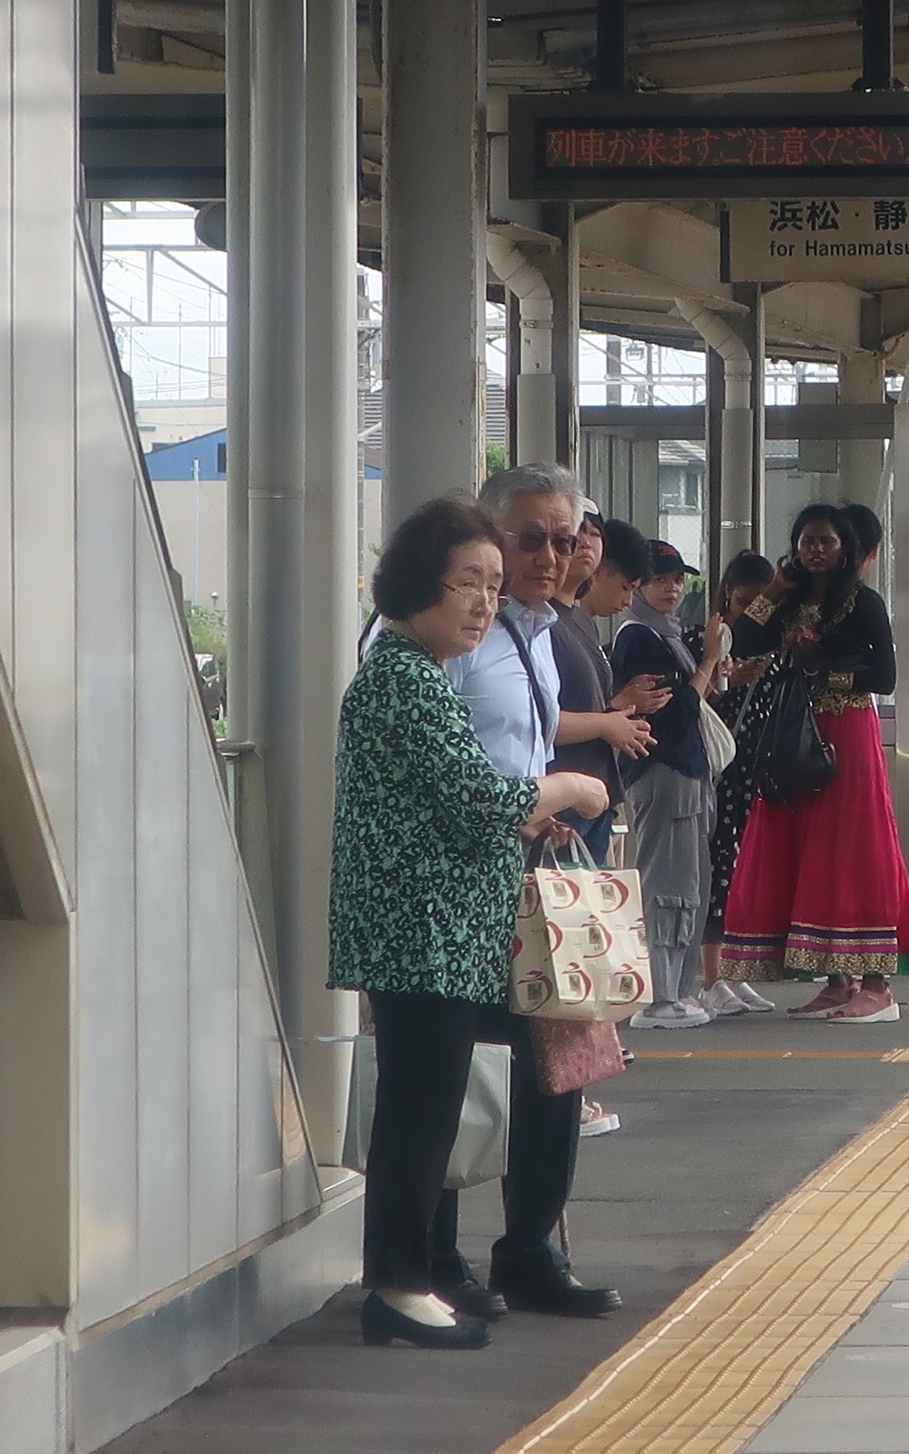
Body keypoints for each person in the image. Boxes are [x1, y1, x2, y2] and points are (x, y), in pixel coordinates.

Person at [329, 498, 610, 1351]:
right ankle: (402, 1280)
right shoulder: (405, 677)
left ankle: (438, 1271)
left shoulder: (415, 671)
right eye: (466, 584)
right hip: (423, 931)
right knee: (420, 1107)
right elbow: (475, 799)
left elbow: (463, 804)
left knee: (472, 1081)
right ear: (417, 586)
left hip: (449, 927)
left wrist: (532, 814)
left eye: (491, 586)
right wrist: (564, 790)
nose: (484, 602)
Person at [438, 462, 623, 1323]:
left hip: (529, 872)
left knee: (561, 1060)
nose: (551, 555)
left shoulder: (543, 632)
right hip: (456, 880)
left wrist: (542, 807)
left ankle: (531, 1249)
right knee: (449, 1067)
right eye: (528, 539)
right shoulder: (451, 634)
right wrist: (555, 795)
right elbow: (440, 761)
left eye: (564, 537)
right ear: (487, 536)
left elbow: (519, 745)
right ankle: (434, 1255)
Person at [720, 503, 909, 1023]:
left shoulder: (862, 601)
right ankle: (836, 981)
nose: (815, 550)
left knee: (855, 846)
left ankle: (877, 986)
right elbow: (744, 640)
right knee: (807, 846)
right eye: (806, 541)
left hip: (848, 732)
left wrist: (826, 671)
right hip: (798, 732)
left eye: (825, 542)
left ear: (844, 548)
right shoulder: (790, 599)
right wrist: (775, 589)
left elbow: (884, 677)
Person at [611, 540, 729, 1029]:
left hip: (687, 775)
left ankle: (678, 990)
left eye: (679, 579)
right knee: (666, 885)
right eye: (661, 580)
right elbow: (675, 713)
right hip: (662, 774)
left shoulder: (670, 636)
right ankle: (659, 995)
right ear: (639, 586)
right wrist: (704, 666)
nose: (672, 588)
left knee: (689, 883)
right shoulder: (638, 638)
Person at [548, 506, 665, 866]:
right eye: (574, 533)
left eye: (595, 533)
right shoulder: (540, 622)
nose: (585, 542)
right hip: (560, 813)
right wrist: (607, 722)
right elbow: (539, 720)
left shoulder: (579, 621)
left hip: (594, 802)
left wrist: (614, 714)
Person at [697, 551, 781, 1018]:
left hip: (757, 768)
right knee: (719, 868)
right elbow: (696, 696)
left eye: (758, 603)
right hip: (721, 769)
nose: (747, 611)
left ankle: (735, 970)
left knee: (746, 871)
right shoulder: (710, 639)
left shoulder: (774, 645)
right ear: (726, 595)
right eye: (742, 600)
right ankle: (712, 976)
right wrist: (724, 674)